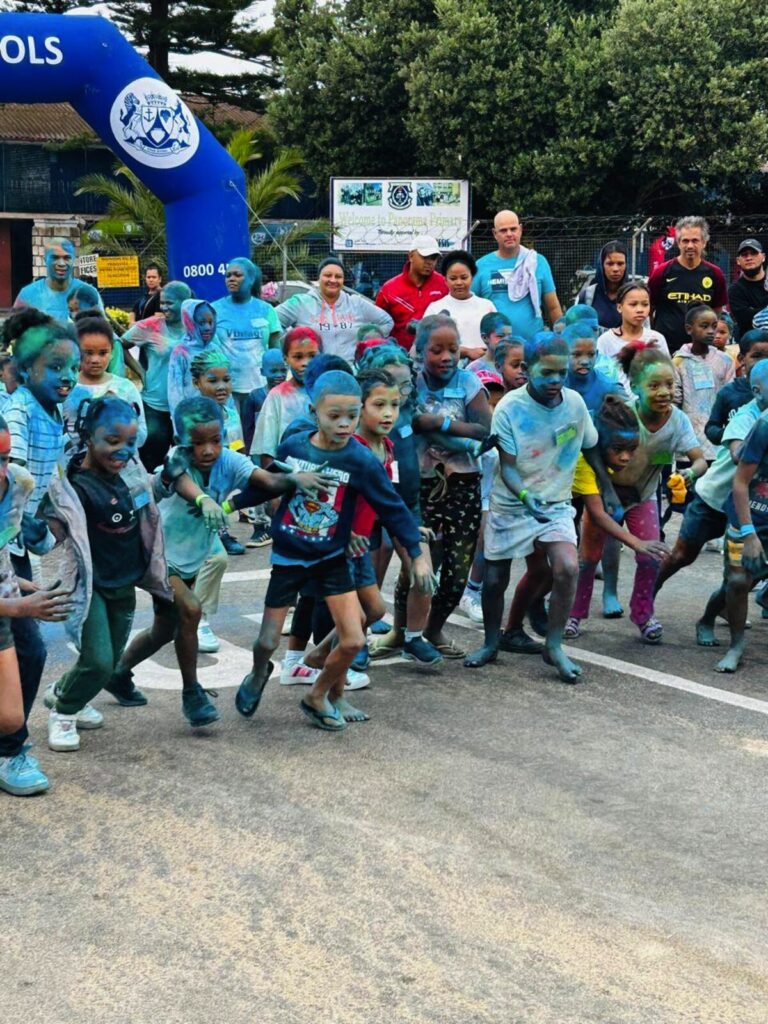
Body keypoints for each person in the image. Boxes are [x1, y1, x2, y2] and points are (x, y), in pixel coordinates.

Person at [112, 396, 331, 725]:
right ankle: (192, 692)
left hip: (187, 560)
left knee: (164, 630)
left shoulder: (229, 460)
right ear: (180, 441)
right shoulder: (176, 461)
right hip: (155, 555)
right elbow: (183, 483)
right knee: (190, 609)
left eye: (215, 441)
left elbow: (266, 481)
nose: (208, 450)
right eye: (197, 443)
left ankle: (117, 673)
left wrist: (293, 480)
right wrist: (204, 500)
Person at [234, 371, 432, 731]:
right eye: (334, 416)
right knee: (265, 641)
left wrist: (416, 553)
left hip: (331, 559)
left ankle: (317, 695)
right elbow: (271, 484)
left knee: (354, 638)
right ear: (314, 412)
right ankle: (259, 671)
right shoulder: (294, 446)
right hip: (289, 556)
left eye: (351, 416)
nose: (344, 424)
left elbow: (392, 507)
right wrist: (230, 504)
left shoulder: (361, 460)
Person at [464, 332, 613, 681]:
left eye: (561, 372)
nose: (556, 380)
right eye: (547, 372)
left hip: (555, 504)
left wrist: (607, 487)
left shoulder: (574, 403)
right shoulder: (510, 409)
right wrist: (525, 498)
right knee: (495, 578)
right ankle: (490, 642)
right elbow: (509, 467)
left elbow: (590, 445)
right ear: (529, 370)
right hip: (512, 504)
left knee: (566, 567)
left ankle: (554, 645)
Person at [40, 397, 172, 751]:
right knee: (98, 660)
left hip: (124, 581)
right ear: (88, 437)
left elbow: (148, 500)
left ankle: (64, 691)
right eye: (112, 441)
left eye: (130, 442)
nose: (122, 450)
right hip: (90, 585)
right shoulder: (73, 486)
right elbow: (51, 525)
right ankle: (64, 713)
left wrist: (167, 478)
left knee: (109, 660)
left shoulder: (129, 475)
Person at [1, 311, 80, 790]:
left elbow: (51, 481)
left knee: (27, 649)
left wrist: (44, 534)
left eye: (71, 366)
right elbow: (23, 470)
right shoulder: (20, 410)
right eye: (55, 367)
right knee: (26, 644)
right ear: (26, 369)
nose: (68, 376)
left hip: (9, 543)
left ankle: (11, 747)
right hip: (9, 535)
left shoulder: (54, 411)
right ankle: (13, 747)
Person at [655, 356, 768, 643]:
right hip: (714, 500)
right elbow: (736, 453)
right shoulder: (747, 416)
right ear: (757, 392)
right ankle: (645, 597)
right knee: (682, 555)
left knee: (744, 576)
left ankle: (708, 617)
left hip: (751, 510)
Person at [413, 315, 492, 658]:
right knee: (422, 564)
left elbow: (484, 431)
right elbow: (411, 424)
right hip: (422, 484)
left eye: (452, 349)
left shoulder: (469, 383)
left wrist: (439, 425)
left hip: (464, 484)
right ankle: (408, 632)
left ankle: (434, 628)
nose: (446, 357)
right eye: (436, 350)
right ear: (420, 351)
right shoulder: (411, 384)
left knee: (459, 567)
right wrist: (456, 430)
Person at [564, 396, 671, 640]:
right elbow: (598, 514)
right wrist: (636, 542)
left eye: (631, 450)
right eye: (618, 450)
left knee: (648, 557)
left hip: (621, 498)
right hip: (542, 501)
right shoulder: (584, 463)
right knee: (581, 560)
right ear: (600, 443)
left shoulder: (616, 449)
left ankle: (643, 615)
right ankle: (571, 613)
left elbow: (659, 458)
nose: (626, 457)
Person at [716, 383, 768, 673]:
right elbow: (740, 482)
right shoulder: (764, 426)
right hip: (752, 518)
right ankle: (736, 645)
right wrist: (749, 534)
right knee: (737, 582)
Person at [122, 281, 193, 472]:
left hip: (186, 407)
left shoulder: (196, 328)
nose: (164, 308)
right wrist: (140, 372)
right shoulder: (150, 326)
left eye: (170, 303)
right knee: (152, 462)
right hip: (155, 404)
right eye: (162, 303)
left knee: (188, 461)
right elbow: (119, 346)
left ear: (185, 303)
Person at [277, 257, 393, 363]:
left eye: (338, 277)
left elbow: (387, 322)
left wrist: (367, 343)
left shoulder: (356, 303)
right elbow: (272, 321)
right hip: (313, 373)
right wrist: (291, 348)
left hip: (350, 373)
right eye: (328, 275)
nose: (333, 280)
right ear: (319, 278)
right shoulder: (301, 303)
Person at [473, 210, 562, 340]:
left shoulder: (537, 262)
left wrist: (563, 341)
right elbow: (471, 307)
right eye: (503, 230)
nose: (509, 234)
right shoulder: (480, 266)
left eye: (513, 229)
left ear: (520, 229)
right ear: (494, 234)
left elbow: (553, 308)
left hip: (533, 348)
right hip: (495, 349)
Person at [63, 316, 147, 450]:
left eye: (102, 353)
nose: (95, 360)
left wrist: (117, 415)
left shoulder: (125, 388)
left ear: (112, 352)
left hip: (119, 465)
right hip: (72, 464)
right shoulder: (65, 387)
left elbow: (141, 435)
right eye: (88, 353)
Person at [648, 216, 727, 354]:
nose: (690, 245)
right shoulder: (661, 272)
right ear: (678, 243)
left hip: (701, 350)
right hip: (666, 349)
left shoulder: (715, 274)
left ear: (704, 242)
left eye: (695, 240)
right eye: (685, 241)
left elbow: (717, 311)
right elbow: (650, 308)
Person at [211, 257, 281, 410]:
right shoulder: (214, 310)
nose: (231, 279)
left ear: (251, 279)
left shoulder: (266, 310)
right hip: (227, 392)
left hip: (261, 390)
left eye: (237, 275)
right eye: (228, 275)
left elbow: (276, 351)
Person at [672, 304, 735, 461]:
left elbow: (729, 398)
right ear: (689, 329)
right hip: (688, 439)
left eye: (714, 326)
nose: (710, 331)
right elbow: (674, 400)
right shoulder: (678, 361)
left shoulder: (725, 360)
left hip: (717, 439)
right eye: (704, 326)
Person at [250, 327, 320, 465]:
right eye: (298, 357)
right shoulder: (277, 396)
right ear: (286, 359)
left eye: (312, 356)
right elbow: (267, 451)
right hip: (289, 475)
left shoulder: (328, 393)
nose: (305, 363)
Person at [374, 236, 448, 350]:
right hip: (399, 357)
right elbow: (377, 324)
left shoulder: (444, 285)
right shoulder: (389, 289)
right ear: (411, 256)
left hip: (435, 355)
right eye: (425, 257)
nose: (429, 262)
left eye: (433, 258)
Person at [423, 250, 496, 360]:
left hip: (484, 371)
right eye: (453, 278)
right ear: (445, 280)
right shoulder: (435, 309)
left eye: (464, 277)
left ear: (472, 278)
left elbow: (500, 338)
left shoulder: (486, 306)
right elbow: (427, 344)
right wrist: (467, 352)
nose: (459, 283)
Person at [597, 282, 669, 392]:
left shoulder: (657, 339)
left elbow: (667, 374)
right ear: (619, 307)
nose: (640, 310)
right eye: (633, 304)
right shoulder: (605, 341)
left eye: (645, 304)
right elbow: (600, 377)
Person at [705, 329, 768, 446]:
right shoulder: (729, 392)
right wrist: (732, 434)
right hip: (735, 460)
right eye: (757, 356)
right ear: (741, 359)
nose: (764, 362)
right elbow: (711, 427)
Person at [167, 299, 224, 413]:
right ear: (189, 322)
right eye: (202, 323)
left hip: (216, 413)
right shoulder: (180, 352)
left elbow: (224, 382)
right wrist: (180, 422)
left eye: (211, 322)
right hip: (191, 416)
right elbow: (175, 392)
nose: (208, 327)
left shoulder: (215, 349)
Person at [14, 238, 87, 322]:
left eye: (67, 258)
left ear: (73, 260)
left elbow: (99, 329)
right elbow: (12, 330)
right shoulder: (27, 295)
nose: (61, 264)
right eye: (55, 257)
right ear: (45, 260)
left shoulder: (88, 294)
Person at [563, 322, 624, 416]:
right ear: (563, 354)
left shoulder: (610, 388)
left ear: (597, 354)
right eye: (577, 354)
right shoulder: (555, 388)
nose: (585, 362)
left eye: (591, 354)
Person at [241, 349, 287, 456]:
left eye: (283, 370)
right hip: (259, 451)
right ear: (262, 372)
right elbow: (246, 430)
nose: (279, 375)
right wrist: (247, 455)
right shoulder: (255, 397)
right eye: (273, 371)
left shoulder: (291, 396)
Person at [577, 240, 630, 330]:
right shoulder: (587, 296)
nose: (615, 269)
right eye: (610, 264)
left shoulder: (634, 295)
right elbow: (577, 331)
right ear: (601, 265)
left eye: (620, 263)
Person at [727, 239, 768, 340]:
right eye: (744, 255)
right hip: (751, 347)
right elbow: (745, 320)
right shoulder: (734, 290)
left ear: (763, 257)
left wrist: (754, 311)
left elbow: (752, 316)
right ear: (738, 261)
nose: (749, 258)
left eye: (754, 253)